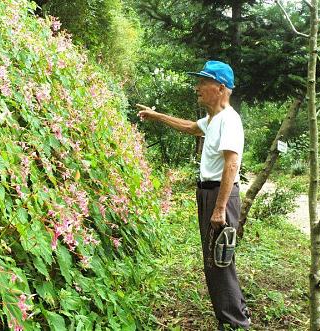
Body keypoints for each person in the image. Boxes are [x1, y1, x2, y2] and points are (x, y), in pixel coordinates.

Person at [136, 60, 250, 330]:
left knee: (220, 261)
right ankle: (229, 318)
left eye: (203, 82)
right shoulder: (213, 119)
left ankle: (237, 322)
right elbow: (190, 127)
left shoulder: (229, 121)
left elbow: (231, 164)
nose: (197, 87)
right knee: (213, 261)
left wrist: (220, 208)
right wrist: (156, 116)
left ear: (220, 88)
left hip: (219, 196)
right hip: (208, 194)